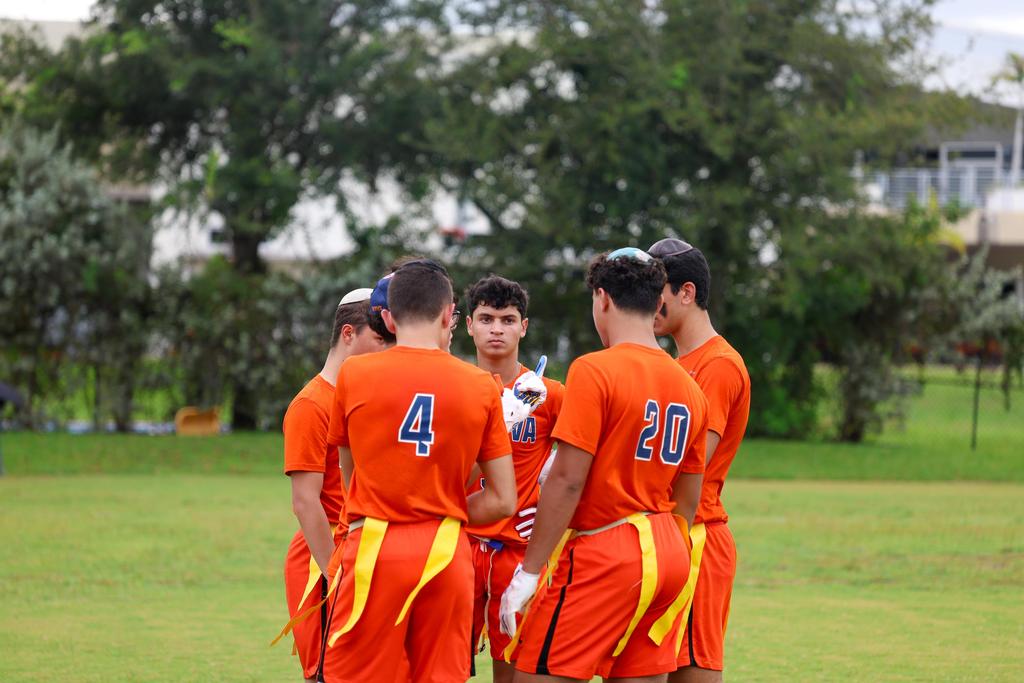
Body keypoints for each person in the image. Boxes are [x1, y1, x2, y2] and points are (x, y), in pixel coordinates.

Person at [500, 248, 709, 682]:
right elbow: (688, 499)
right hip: (669, 550)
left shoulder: (595, 369)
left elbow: (568, 480)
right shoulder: (690, 387)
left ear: (603, 298)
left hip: (608, 548)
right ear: (658, 302)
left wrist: (529, 570)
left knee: (535, 671)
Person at [321, 259, 519, 683]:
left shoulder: (354, 374)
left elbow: (351, 472)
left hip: (374, 543)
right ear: (449, 315)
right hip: (445, 548)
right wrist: (444, 510)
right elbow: (504, 498)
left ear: (389, 318)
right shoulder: (482, 385)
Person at [648, 238, 751, 683]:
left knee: (692, 669)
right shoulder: (676, 362)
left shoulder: (718, 364)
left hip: (698, 536)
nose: (646, 304)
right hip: (669, 531)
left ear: (686, 293)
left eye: (655, 291)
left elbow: (693, 462)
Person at [461, 275, 565, 682]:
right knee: (445, 665)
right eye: (486, 319)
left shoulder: (549, 394)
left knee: (515, 670)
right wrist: (499, 422)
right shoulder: (451, 387)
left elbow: (579, 465)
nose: (497, 329)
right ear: (469, 325)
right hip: (460, 543)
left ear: (524, 327)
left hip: (518, 549)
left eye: (507, 320)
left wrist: (547, 505)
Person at [281, 287, 387, 683]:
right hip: (325, 554)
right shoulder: (312, 405)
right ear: (348, 334)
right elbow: (305, 502)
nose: (387, 347)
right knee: (327, 672)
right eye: (379, 337)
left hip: (363, 549)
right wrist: (334, 573)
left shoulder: (364, 398)